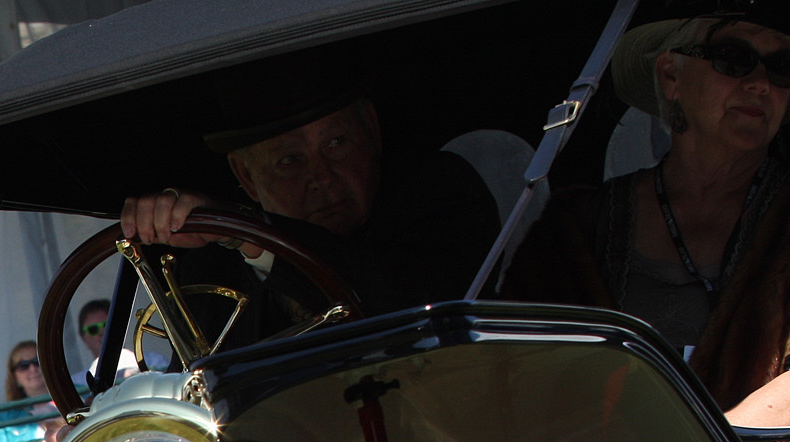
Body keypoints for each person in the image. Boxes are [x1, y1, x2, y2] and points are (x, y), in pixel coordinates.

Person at [508, 9, 790, 421]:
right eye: (733, 58)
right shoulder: (577, 228)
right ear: (671, 76)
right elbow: (514, 378)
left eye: (782, 68)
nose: (760, 84)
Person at [119, 74, 499, 339]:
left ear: (371, 129)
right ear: (246, 175)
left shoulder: (438, 192)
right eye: (289, 161)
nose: (324, 177)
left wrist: (253, 237)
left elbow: (425, 304)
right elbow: (191, 393)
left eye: (337, 143)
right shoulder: (212, 270)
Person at [74, 297, 114, 389]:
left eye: (106, 325)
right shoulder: (75, 385)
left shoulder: (152, 363)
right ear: (84, 338)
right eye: (93, 329)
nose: (102, 332)